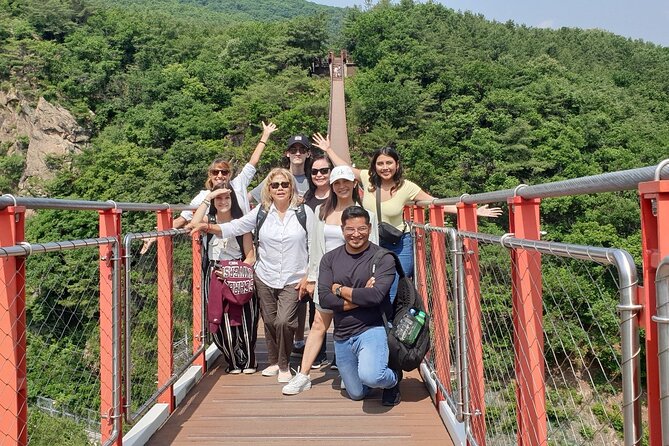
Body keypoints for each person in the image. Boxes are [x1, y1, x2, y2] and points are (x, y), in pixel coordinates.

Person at [313, 134, 502, 299]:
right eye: (380, 163)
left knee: (393, 286)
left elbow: (434, 202)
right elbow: (344, 169)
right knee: (372, 285)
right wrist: (328, 150)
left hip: (398, 244)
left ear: (397, 165)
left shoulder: (407, 187)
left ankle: (393, 332)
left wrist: (472, 211)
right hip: (372, 242)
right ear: (374, 166)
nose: (384, 167)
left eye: (389, 163)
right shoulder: (368, 179)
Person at [193, 168, 315, 384]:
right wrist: (208, 226)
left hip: (293, 277)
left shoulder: (304, 213)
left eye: (284, 184)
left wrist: (310, 276)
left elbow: (315, 246)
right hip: (265, 275)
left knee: (285, 322)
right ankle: (274, 361)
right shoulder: (262, 211)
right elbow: (236, 226)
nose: (279, 188)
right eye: (274, 185)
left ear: (291, 187)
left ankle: (285, 364)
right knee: (269, 321)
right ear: (268, 188)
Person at [282, 166, 380, 395]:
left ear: (354, 184)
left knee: (356, 322)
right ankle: (304, 375)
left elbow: (375, 247)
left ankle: (351, 372)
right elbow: (316, 246)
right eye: (337, 183)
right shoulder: (321, 213)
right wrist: (312, 277)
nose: (342, 186)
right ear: (332, 186)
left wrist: (373, 277)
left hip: (358, 275)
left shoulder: (368, 214)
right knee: (319, 323)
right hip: (328, 274)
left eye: (346, 182)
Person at [318, 205, 402, 406]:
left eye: (362, 229)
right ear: (342, 230)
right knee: (356, 393)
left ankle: (394, 379)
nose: (356, 234)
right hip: (341, 334)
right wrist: (361, 296)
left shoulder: (383, 258)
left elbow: (376, 296)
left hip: (371, 328)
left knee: (373, 377)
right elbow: (324, 299)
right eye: (350, 229)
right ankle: (374, 369)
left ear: (370, 228)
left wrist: (339, 290)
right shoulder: (329, 259)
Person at [190, 183, 257, 373]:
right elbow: (194, 224)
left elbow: (250, 255)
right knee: (220, 318)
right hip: (214, 270)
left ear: (233, 200)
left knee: (246, 318)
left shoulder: (241, 222)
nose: (223, 201)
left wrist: (236, 273)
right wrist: (208, 197)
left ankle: (248, 360)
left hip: (238, 270)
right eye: (219, 198)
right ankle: (233, 360)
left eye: (227, 197)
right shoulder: (208, 220)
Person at [292, 153, 334, 360]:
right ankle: (318, 354)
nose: (319, 175)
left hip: (336, 257)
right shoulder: (305, 200)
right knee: (312, 306)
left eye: (324, 171)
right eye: (315, 171)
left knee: (340, 307)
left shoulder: (339, 194)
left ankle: (341, 356)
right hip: (309, 257)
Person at [250, 134, 312, 203]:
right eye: (293, 150)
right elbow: (248, 198)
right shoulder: (276, 177)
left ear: (308, 154)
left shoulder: (314, 179)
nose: (297, 153)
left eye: (302, 150)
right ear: (287, 153)